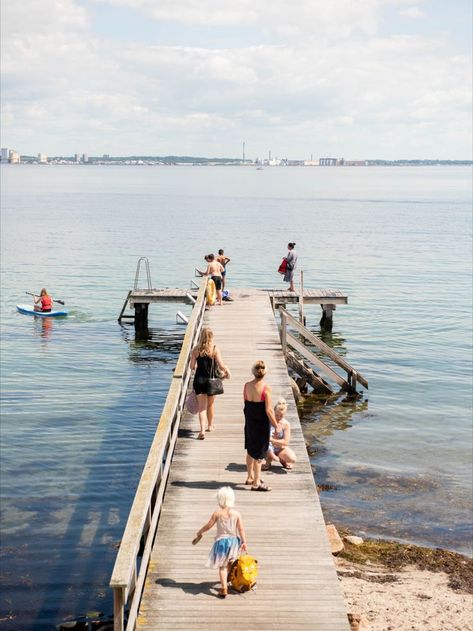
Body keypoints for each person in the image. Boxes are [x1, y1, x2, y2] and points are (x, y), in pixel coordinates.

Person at [193, 486, 247, 599]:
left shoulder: (217, 513)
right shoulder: (236, 514)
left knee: (222, 566)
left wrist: (200, 532)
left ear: (220, 500)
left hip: (222, 542)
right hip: (233, 542)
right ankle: (228, 578)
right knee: (230, 562)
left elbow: (208, 525)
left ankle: (223, 588)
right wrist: (244, 542)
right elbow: (241, 529)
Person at [243, 360, 279, 491]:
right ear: (265, 373)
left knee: (250, 450)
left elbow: (246, 404)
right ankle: (257, 482)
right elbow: (269, 410)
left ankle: (249, 477)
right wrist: (276, 425)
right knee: (259, 454)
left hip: (250, 422)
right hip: (261, 424)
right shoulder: (266, 388)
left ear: (253, 372)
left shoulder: (246, 386)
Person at [190, 328, 231, 439]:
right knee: (210, 405)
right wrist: (227, 371)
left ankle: (202, 430)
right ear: (211, 337)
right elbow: (221, 365)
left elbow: (192, 366)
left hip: (199, 380)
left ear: (201, 336)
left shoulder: (195, 350)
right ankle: (210, 426)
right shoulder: (214, 349)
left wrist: (198, 366)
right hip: (211, 382)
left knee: (202, 407)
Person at [263, 398, 297, 471]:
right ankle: (269, 459)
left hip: (279, 448)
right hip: (267, 446)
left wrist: (272, 440)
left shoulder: (286, 424)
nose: (278, 417)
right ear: (273, 413)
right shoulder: (268, 421)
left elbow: (286, 442)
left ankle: (281, 459)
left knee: (292, 459)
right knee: (265, 445)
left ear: (284, 415)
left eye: (281, 416)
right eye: (276, 415)